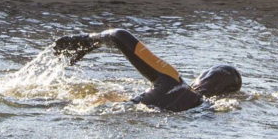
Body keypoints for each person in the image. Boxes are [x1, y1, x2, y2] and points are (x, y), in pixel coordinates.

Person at [52, 29, 242, 112]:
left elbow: (120, 36)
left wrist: (88, 40)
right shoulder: (205, 107)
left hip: (109, 111)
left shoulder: (171, 80)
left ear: (201, 77)